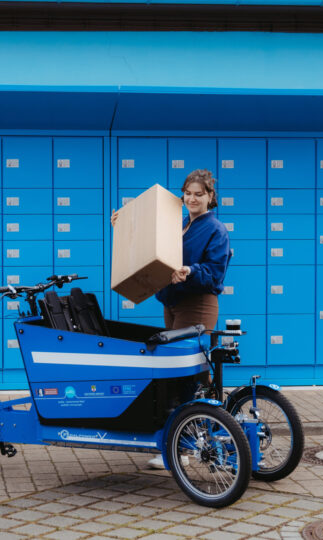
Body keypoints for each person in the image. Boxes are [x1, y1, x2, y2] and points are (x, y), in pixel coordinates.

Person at [111, 169, 231, 469]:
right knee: (182, 374)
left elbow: (215, 272)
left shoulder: (215, 229)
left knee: (184, 376)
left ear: (210, 197)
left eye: (198, 194)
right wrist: (122, 225)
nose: (192, 198)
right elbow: (151, 245)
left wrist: (190, 271)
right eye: (188, 193)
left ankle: (184, 448)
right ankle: (203, 436)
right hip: (174, 303)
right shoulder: (179, 224)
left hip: (198, 305)